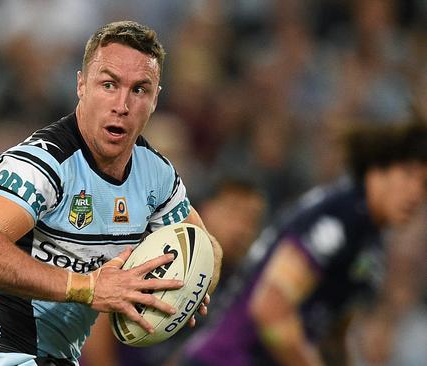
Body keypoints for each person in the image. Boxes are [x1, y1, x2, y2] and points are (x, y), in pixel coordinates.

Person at [0, 20, 223, 366]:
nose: (122, 105)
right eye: (109, 84)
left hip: (58, 358)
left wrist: (194, 282)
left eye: (139, 90)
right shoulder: (43, 163)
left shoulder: (155, 174)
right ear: (81, 85)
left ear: (156, 99)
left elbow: (205, 245)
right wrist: (87, 287)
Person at [177, 120, 427, 366]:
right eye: (408, 175)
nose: (416, 193)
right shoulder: (339, 215)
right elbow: (270, 309)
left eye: (424, 185)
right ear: (376, 168)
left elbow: (332, 333)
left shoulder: (368, 239)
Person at [80, 178, 265, 366]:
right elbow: (99, 322)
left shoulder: (242, 287)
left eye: (252, 220)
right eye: (233, 212)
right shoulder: (159, 248)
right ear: (206, 208)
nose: (243, 228)